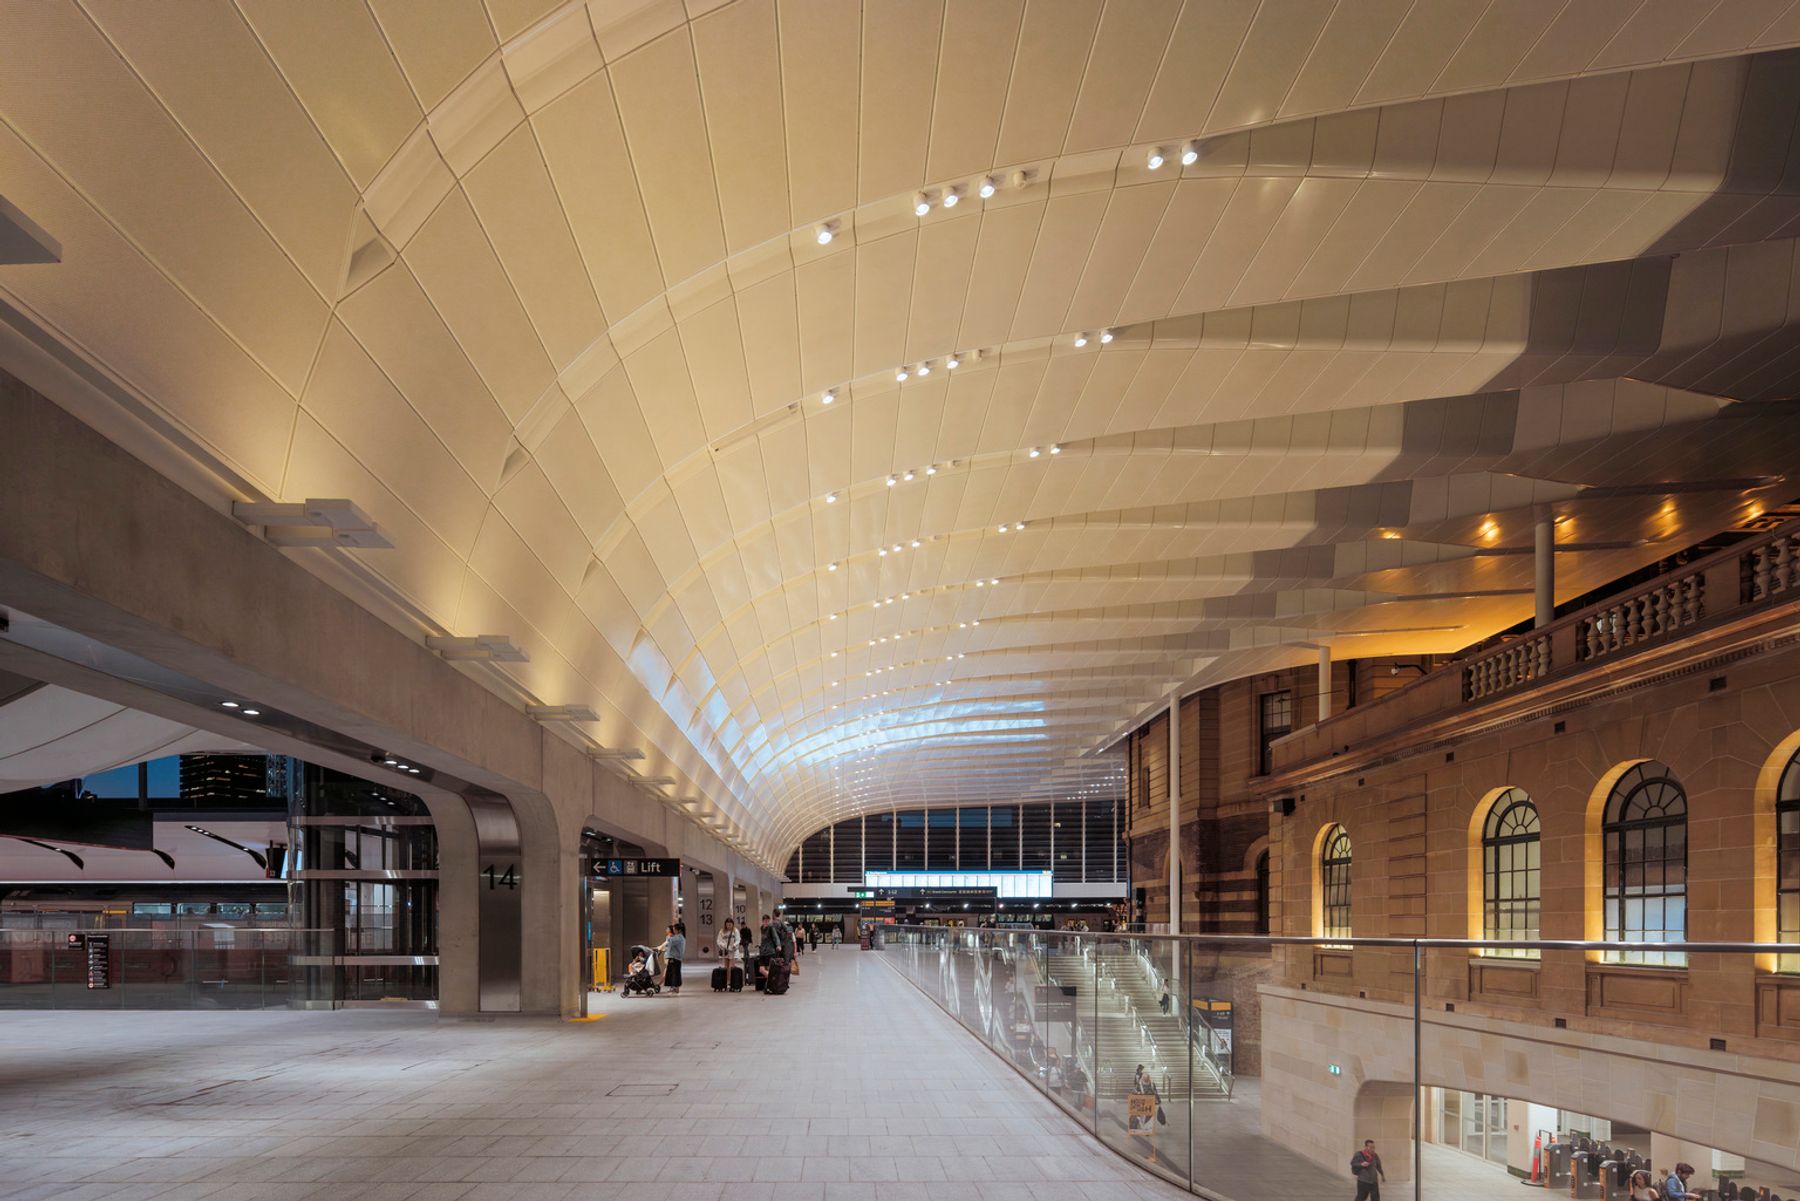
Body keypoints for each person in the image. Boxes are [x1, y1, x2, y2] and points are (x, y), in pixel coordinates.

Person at [657, 923, 685, 995]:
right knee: (674, 973)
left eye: (674, 929)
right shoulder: (680, 937)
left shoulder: (677, 938)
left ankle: (675, 988)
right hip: (676, 958)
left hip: (674, 958)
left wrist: (668, 937)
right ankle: (674, 988)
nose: (673, 930)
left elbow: (669, 942)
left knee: (674, 973)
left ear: (678, 930)